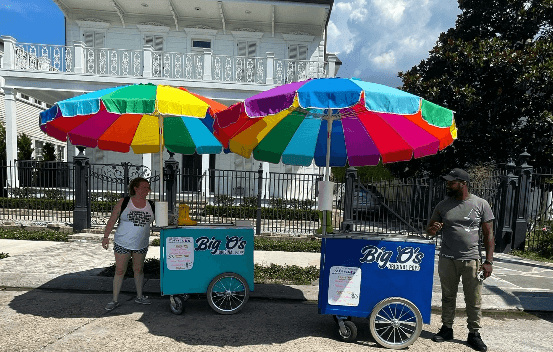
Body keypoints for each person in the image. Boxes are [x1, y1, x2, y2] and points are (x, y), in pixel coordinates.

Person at [426, 168, 495, 352]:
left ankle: (474, 334)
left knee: (473, 299)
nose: (448, 184)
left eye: (451, 182)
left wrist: (488, 261)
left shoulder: (481, 204)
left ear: (463, 183)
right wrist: (433, 230)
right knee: (448, 296)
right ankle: (447, 328)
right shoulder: (443, 205)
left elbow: (489, 234)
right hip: (447, 258)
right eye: (448, 181)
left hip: (472, 260)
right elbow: (429, 230)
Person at [102, 177, 155, 311]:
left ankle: (139, 296)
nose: (147, 190)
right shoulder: (124, 202)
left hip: (141, 244)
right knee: (120, 271)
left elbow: (161, 221)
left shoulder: (152, 205)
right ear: (135, 188)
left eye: (148, 187)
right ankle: (114, 300)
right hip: (122, 242)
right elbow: (112, 219)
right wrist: (105, 236)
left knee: (139, 270)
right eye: (144, 187)